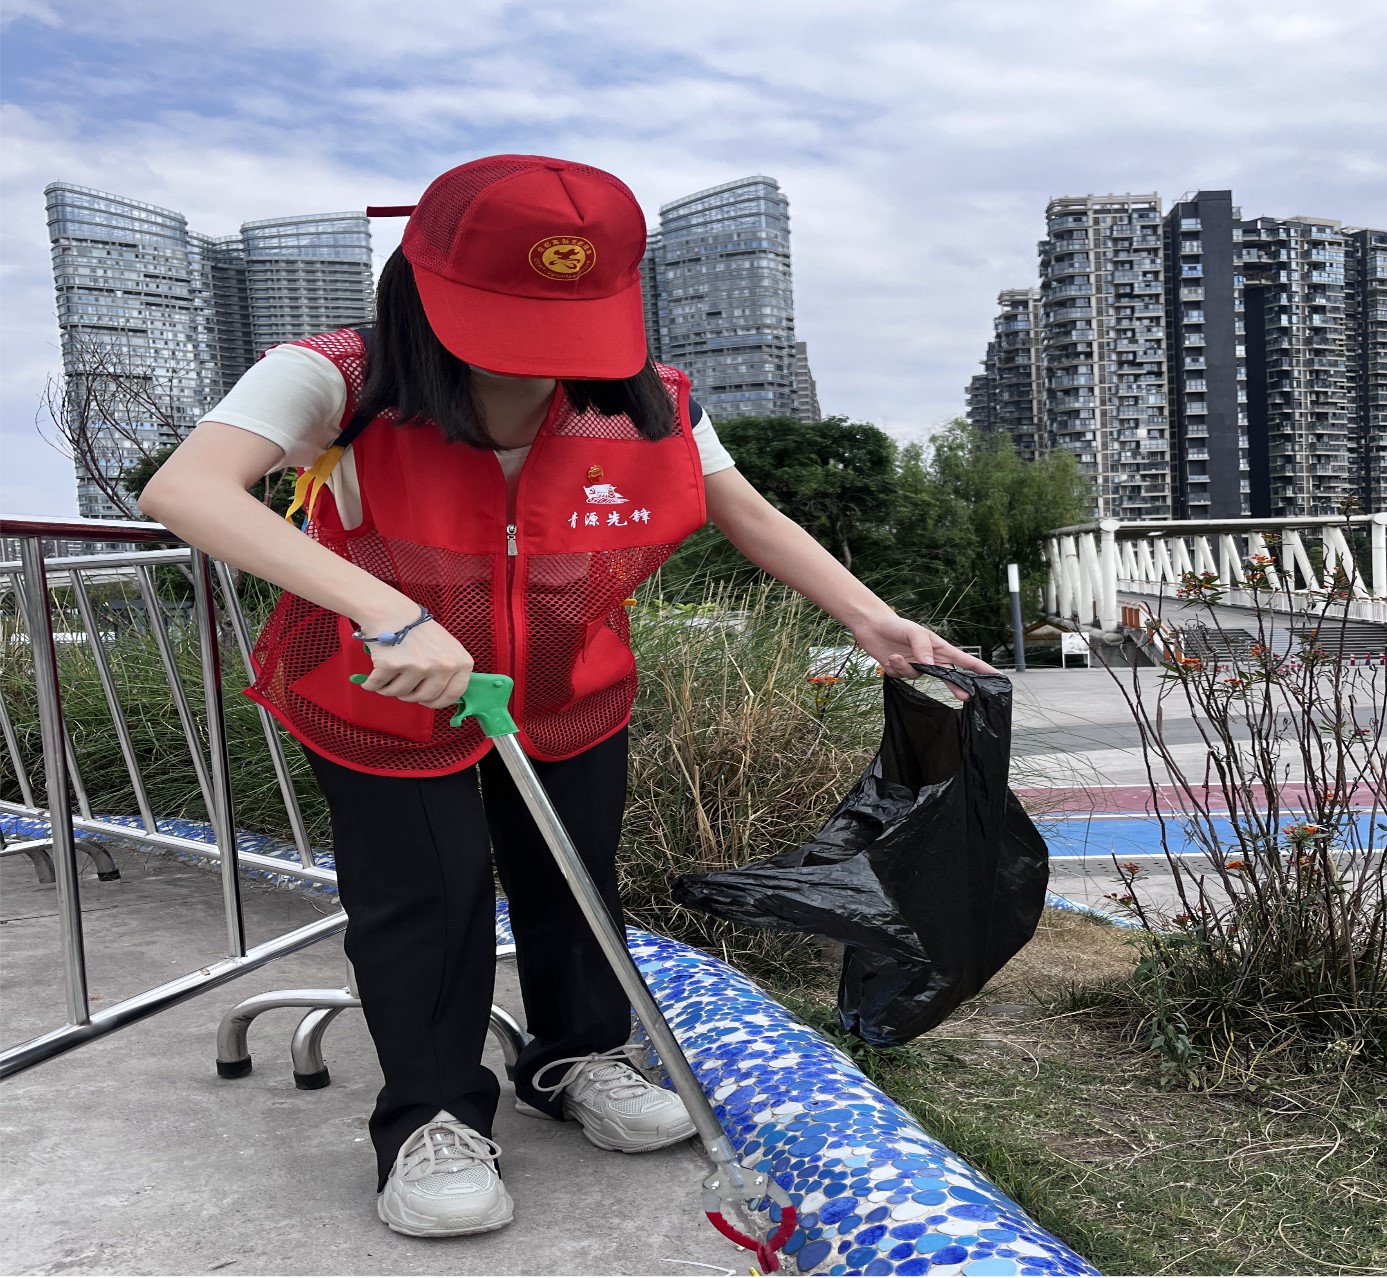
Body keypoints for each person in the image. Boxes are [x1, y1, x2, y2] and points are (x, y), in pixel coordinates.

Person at [139, 154, 995, 1239]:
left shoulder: (650, 396)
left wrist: (869, 617)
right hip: (387, 695)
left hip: (566, 687)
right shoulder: (335, 376)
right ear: (423, 284)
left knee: (573, 878)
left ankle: (576, 1058)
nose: (538, 363)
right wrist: (386, 611)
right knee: (427, 901)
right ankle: (431, 1119)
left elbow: (746, 513)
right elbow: (185, 490)